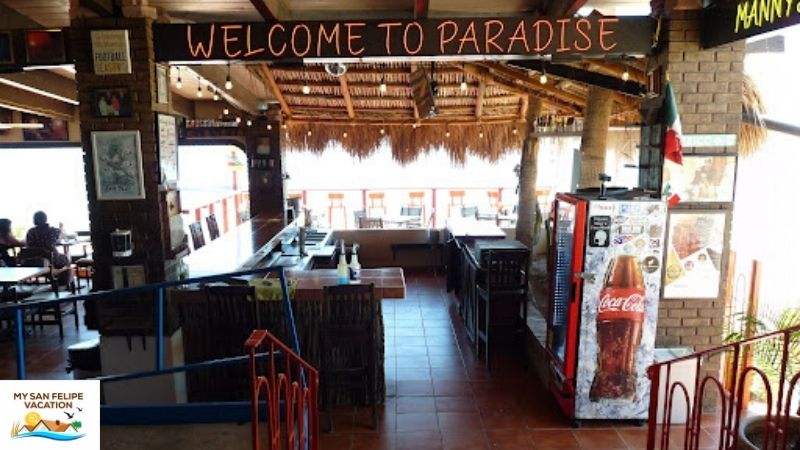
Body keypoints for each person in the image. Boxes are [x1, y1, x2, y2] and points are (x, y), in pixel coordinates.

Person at [25, 211, 71, 284]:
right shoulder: (53, 230)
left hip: (34, 259)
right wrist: (61, 228)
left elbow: (28, 244)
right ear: (45, 219)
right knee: (65, 258)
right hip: (51, 258)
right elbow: (62, 235)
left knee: (59, 257)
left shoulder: (31, 232)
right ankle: (65, 282)